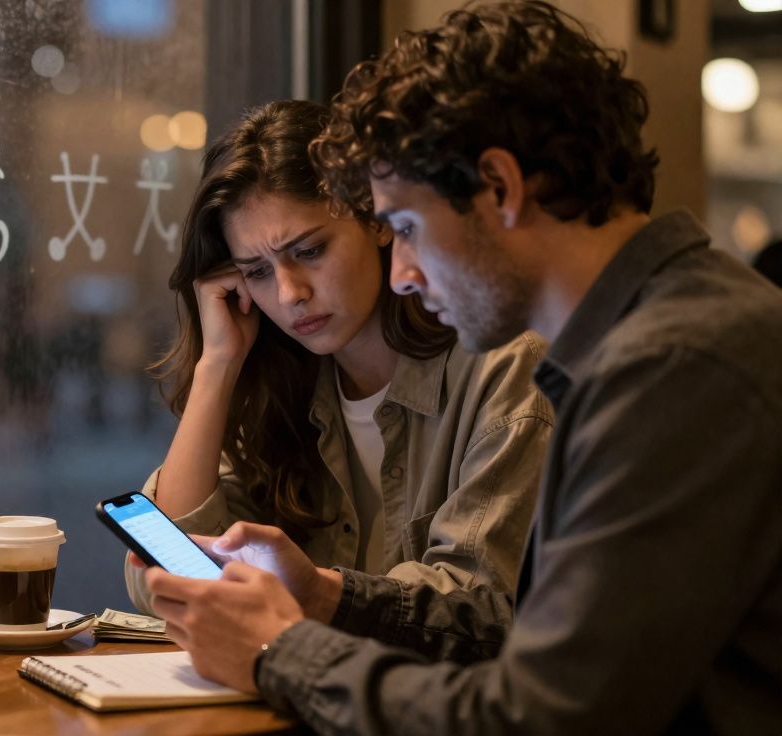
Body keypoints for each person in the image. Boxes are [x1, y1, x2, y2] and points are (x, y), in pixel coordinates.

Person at [140, 2, 782, 734]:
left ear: (501, 188)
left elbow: (537, 715)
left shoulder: (675, 368)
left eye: (406, 229)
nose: (403, 273)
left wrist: (277, 648)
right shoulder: (665, 336)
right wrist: (320, 603)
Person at [125, 100, 553, 662]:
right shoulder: (284, 385)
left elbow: (482, 609)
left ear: (378, 221)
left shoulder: (504, 370)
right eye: (255, 272)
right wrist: (217, 366)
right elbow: (162, 582)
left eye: (308, 251)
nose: (288, 293)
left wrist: (318, 593)